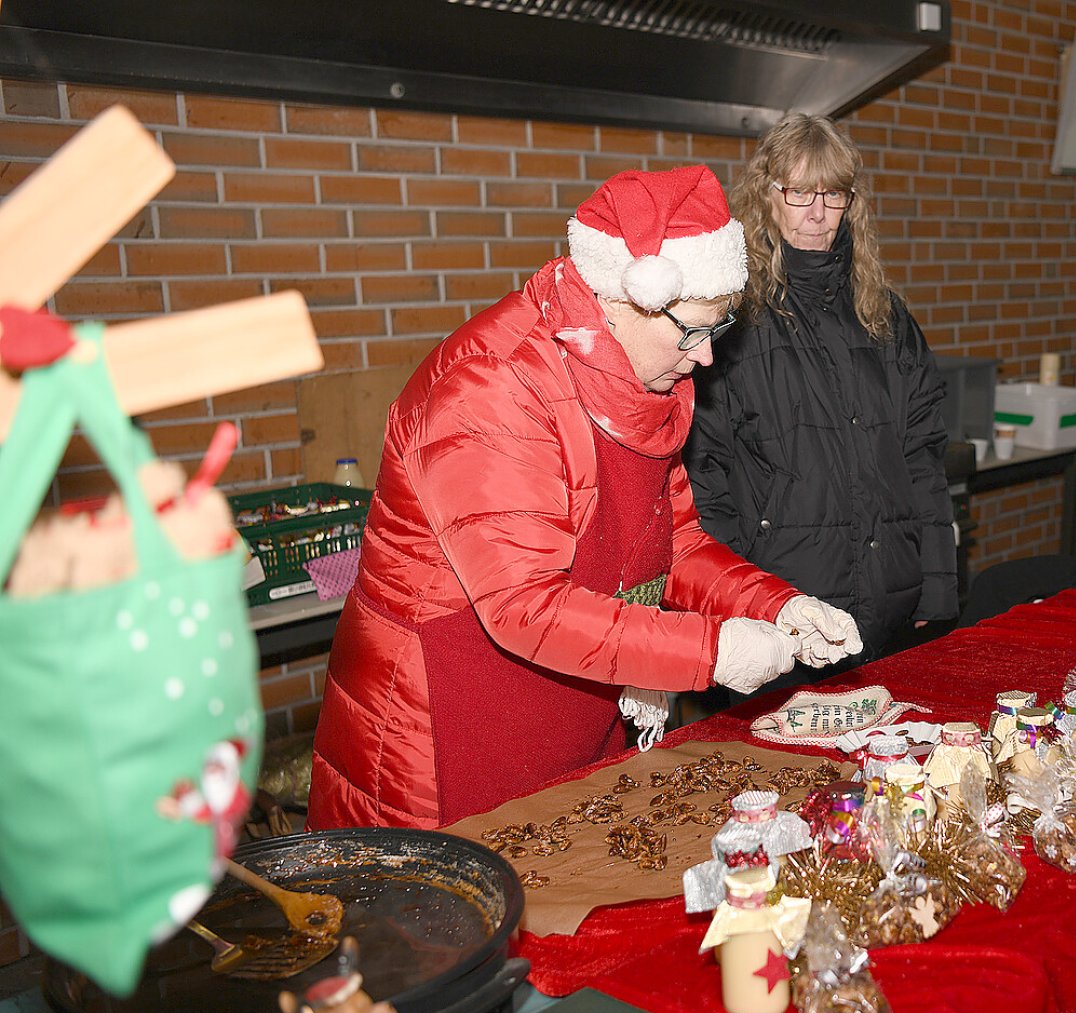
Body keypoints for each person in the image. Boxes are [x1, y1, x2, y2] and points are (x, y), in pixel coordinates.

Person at [308, 166, 863, 829]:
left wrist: (779, 607)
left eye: (716, 331)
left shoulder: (643, 383)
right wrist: (710, 651)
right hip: (444, 732)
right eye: (692, 331)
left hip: (570, 705)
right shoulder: (493, 387)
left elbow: (675, 544)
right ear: (627, 299)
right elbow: (524, 605)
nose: (707, 359)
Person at [684, 114, 957, 684]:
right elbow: (704, 475)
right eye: (799, 191)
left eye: (832, 193)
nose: (816, 211)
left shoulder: (883, 315)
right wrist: (736, 602)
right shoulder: (732, 318)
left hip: (888, 606)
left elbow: (923, 459)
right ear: (767, 196)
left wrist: (936, 584)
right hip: (783, 619)